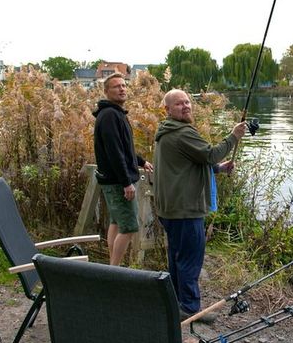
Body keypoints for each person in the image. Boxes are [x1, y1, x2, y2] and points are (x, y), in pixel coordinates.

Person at [153, 89, 246, 321]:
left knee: (177, 256)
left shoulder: (167, 132)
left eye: (187, 102)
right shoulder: (181, 132)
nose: (185, 106)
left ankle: (176, 301)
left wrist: (219, 169)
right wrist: (233, 136)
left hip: (172, 208)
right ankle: (190, 309)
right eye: (179, 104)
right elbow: (209, 154)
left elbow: (188, 163)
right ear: (167, 110)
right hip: (184, 209)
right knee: (190, 259)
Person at [93, 72, 153, 266]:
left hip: (113, 180)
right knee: (128, 228)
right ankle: (115, 270)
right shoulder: (110, 115)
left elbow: (124, 148)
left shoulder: (113, 113)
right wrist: (126, 182)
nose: (122, 89)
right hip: (118, 182)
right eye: (116, 86)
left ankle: (113, 267)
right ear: (106, 91)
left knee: (116, 222)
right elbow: (114, 151)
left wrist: (141, 161)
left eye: (124, 85)